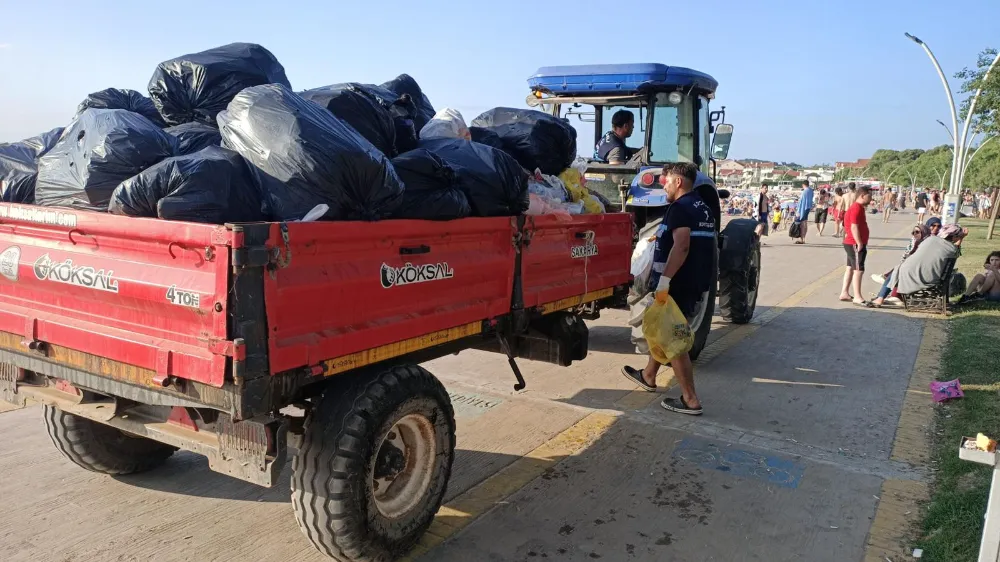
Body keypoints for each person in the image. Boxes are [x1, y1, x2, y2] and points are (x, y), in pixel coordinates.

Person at [620, 162, 714, 416]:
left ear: (679, 182)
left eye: (667, 181)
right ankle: (649, 375)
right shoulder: (703, 208)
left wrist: (665, 280)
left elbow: (682, 246)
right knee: (664, 329)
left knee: (674, 340)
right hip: (693, 281)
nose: (664, 187)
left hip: (678, 283)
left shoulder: (679, 208)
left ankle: (690, 399)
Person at [870, 225, 969, 307]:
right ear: (955, 237)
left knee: (897, 269)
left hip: (905, 272)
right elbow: (956, 252)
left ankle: (880, 299)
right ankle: (893, 297)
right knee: (900, 269)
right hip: (928, 279)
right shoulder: (952, 249)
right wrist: (962, 238)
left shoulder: (930, 239)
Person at [839, 185, 873, 305]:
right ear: (862, 196)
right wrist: (859, 242)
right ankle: (857, 296)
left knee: (850, 267)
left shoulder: (858, 208)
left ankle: (844, 292)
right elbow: (854, 226)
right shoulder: (856, 208)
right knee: (859, 269)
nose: (871, 198)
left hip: (851, 242)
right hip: (854, 243)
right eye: (869, 196)